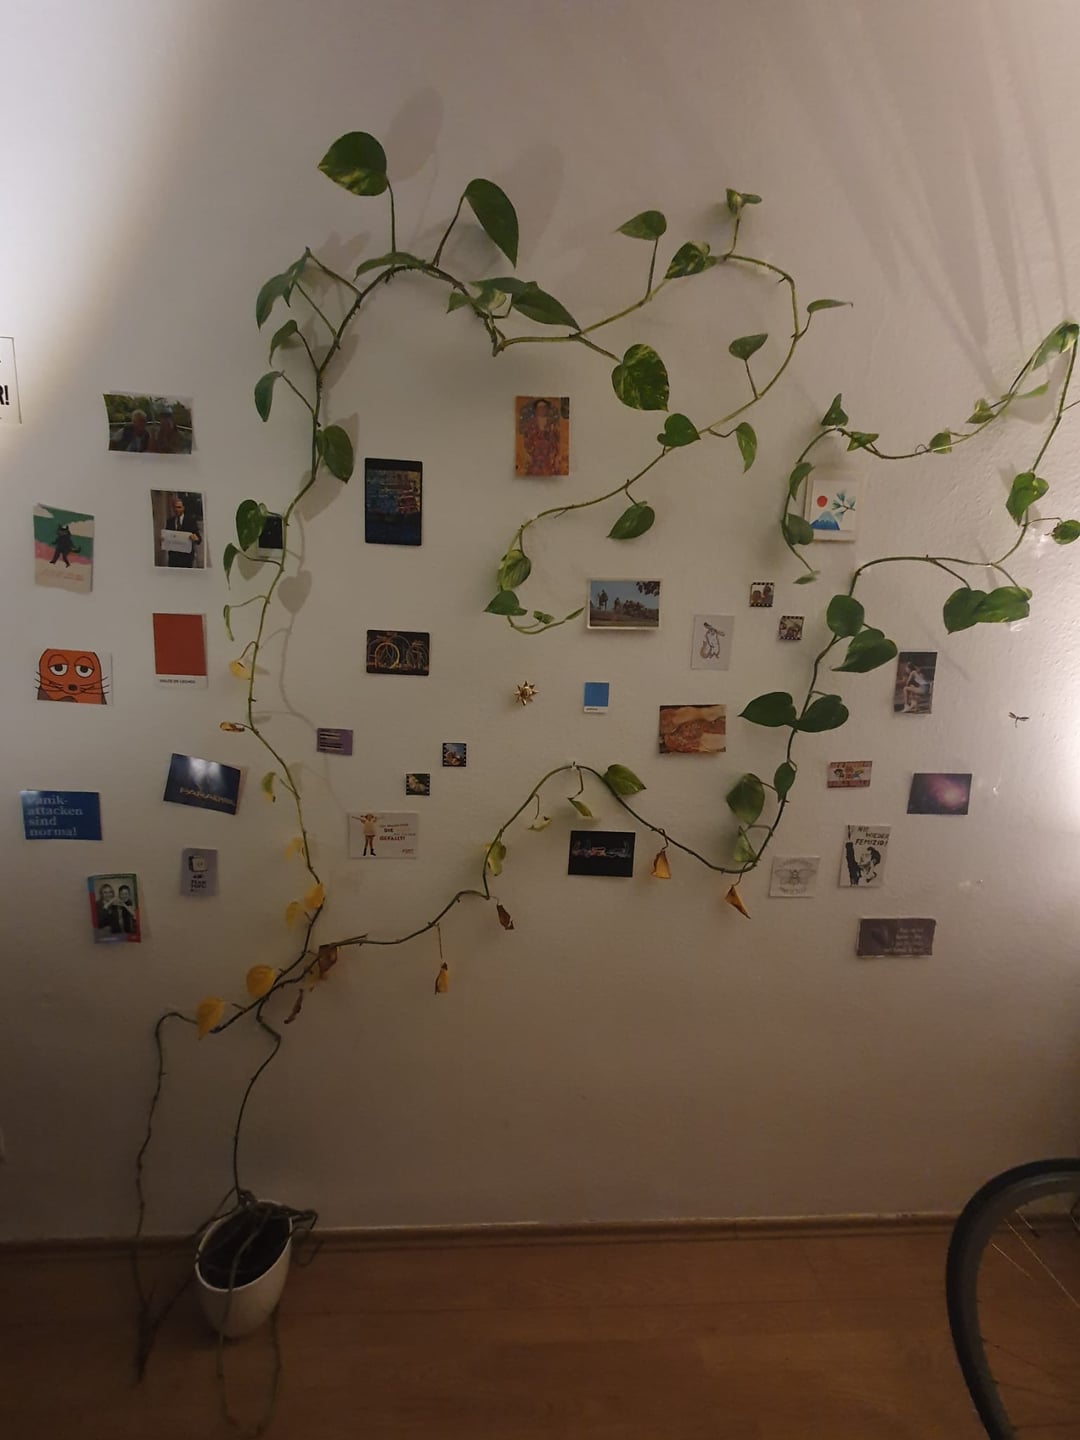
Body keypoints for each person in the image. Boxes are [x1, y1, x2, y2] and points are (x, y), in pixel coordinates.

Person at [517, 398, 564, 475]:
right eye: (540, 408)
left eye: (544, 407)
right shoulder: (530, 426)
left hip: (550, 462)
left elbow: (557, 443)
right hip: (535, 462)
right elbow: (526, 443)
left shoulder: (553, 425)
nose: (542, 410)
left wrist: (556, 458)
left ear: (548, 409)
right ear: (536, 410)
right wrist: (528, 455)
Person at [162, 494, 202, 568]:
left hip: (187, 559)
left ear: (183, 508)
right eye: (175, 507)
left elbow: (199, 540)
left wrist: (196, 538)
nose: (177, 510)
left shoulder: (191, 521)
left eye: (179, 507)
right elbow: (167, 537)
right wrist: (163, 539)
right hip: (173, 559)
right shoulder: (169, 521)